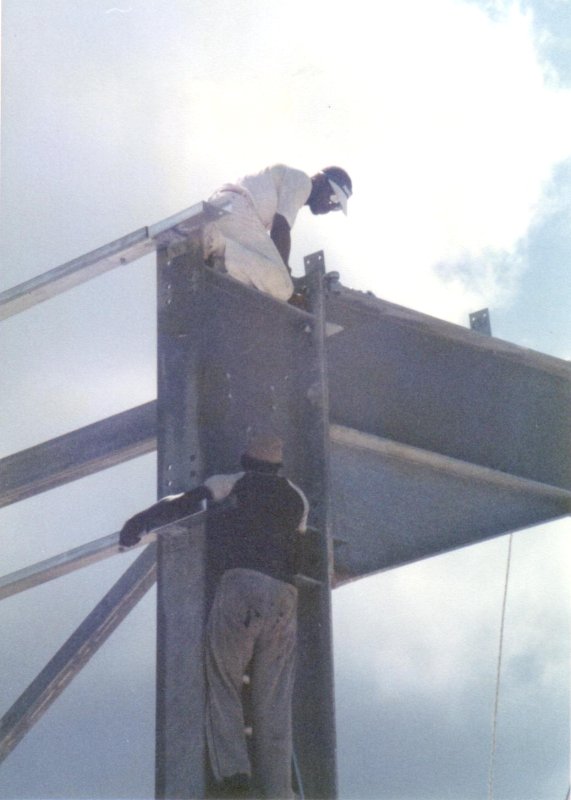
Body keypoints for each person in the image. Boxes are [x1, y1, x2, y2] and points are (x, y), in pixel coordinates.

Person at [119, 434, 309, 799]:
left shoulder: (230, 483)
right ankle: (279, 790)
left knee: (223, 681)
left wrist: (138, 524)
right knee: (275, 702)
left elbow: (183, 505)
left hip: (241, 587)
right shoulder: (297, 498)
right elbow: (300, 554)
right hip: (285, 597)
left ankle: (235, 776)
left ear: (246, 459)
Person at [203, 164, 352, 302]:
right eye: (334, 198)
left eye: (337, 206)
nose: (331, 206)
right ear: (320, 180)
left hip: (222, 207)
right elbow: (281, 227)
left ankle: (213, 250)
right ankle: (214, 242)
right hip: (238, 208)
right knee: (283, 288)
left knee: (257, 270)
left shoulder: (286, 183)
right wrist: (285, 273)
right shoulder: (303, 182)